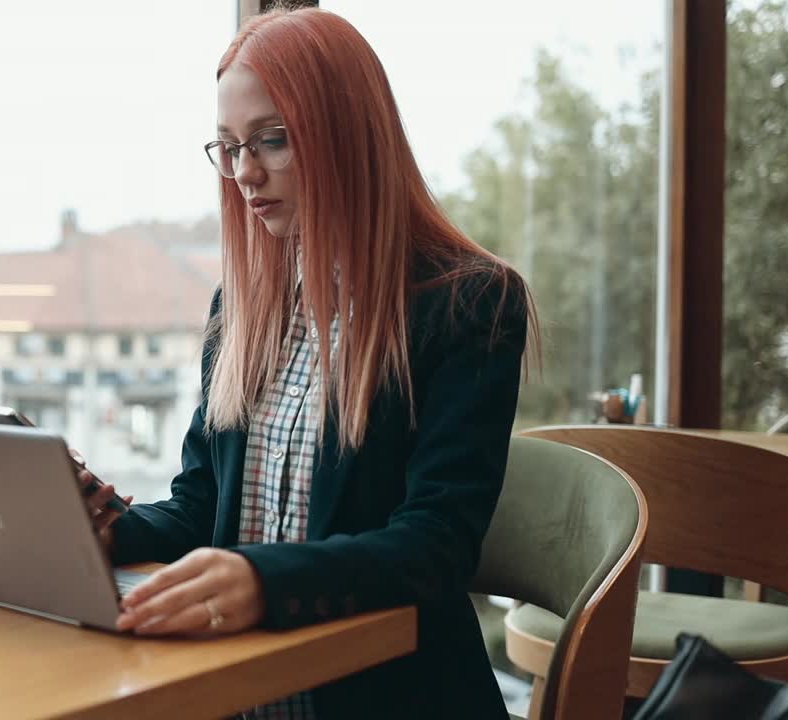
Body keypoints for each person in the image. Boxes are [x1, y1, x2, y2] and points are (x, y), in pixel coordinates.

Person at [78, 7, 534, 718]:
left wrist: (261, 581)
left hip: (390, 698)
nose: (244, 173)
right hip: (239, 692)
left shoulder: (470, 303)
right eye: (227, 147)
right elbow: (205, 508)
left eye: (273, 140)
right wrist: (102, 528)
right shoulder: (243, 307)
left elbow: (437, 545)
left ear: (351, 134)